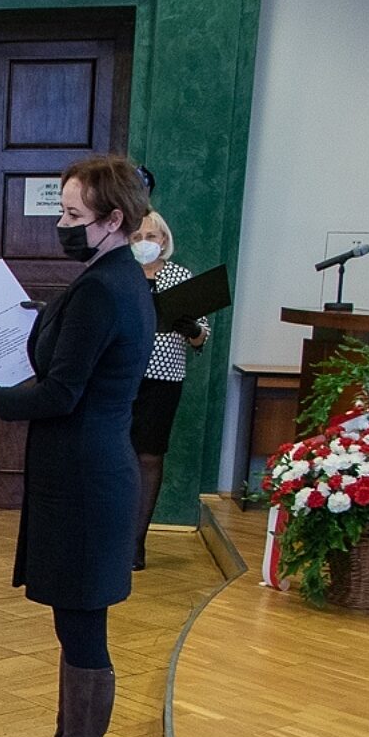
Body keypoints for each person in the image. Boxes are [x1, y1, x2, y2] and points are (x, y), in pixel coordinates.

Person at [0, 155, 154, 737]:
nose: (61, 225)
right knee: (75, 627)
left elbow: (62, 393)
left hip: (87, 481)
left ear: (112, 219)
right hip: (88, 474)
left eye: (72, 215)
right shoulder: (116, 277)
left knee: (84, 632)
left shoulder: (105, 288)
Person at [129, 209, 210, 569]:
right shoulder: (121, 274)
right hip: (122, 376)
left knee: (149, 456)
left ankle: (136, 541)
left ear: (164, 240)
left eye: (151, 236)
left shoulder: (180, 276)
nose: (144, 243)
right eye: (136, 237)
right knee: (117, 454)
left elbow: (202, 337)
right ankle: (110, 536)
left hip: (163, 380)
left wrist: (192, 328)